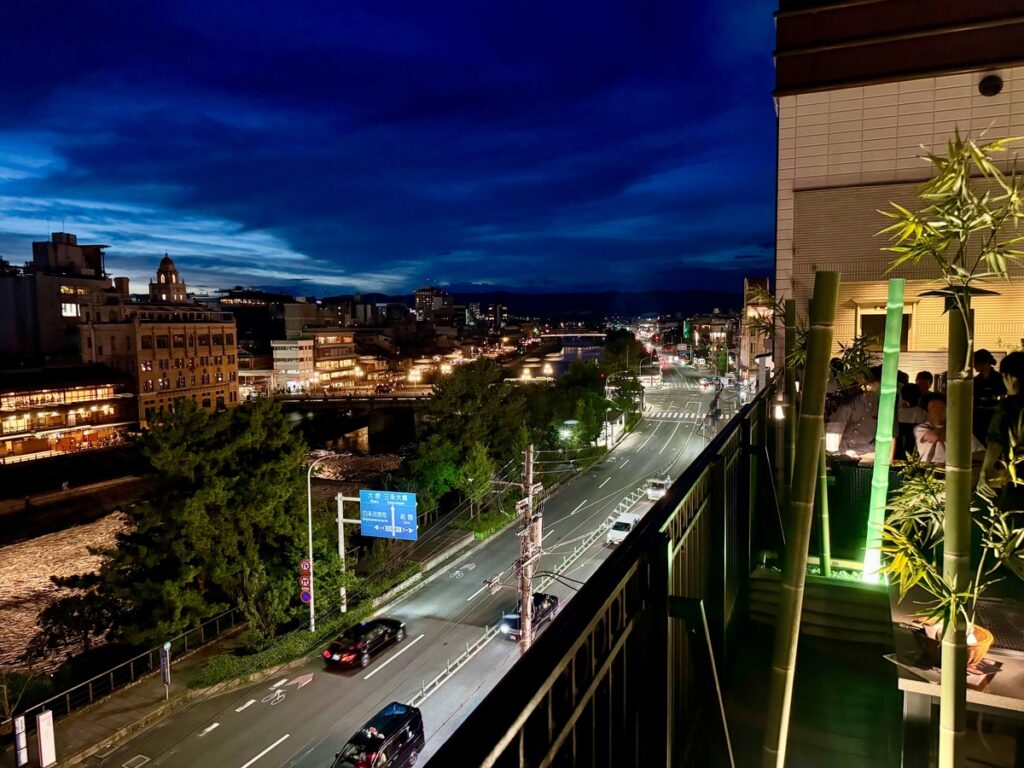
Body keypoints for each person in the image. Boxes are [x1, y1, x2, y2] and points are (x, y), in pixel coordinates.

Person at [979, 351, 1024, 502]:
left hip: (1016, 475)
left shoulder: (1010, 407)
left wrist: (984, 473)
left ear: (1011, 378)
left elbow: (996, 440)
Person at [913, 395, 983, 465]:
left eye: (942, 408)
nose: (939, 411)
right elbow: (936, 436)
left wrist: (963, 457)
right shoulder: (920, 429)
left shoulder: (959, 429)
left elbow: (982, 454)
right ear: (926, 412)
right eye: (935, 409)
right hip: (931, 470)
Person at [826, 374, 881, 458]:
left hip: (866, 450)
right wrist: (834, 451)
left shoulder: (881, 406)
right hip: (842, 449)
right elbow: (836, 428)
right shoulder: (849, 404)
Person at [973, 349, 1006, 445]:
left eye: (976, 363)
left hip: (995, 415)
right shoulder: (976, 380)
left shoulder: (999, 378)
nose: (974, 365)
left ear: (985, 362)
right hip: (978, 416)